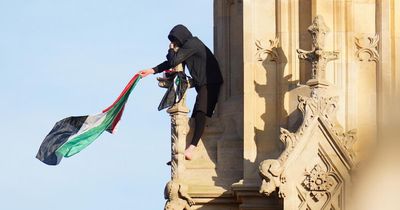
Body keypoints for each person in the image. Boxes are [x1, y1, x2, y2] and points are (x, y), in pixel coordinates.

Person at [138, 24, 223, 160]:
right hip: (203, 84)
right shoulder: (188, 47)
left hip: (210, 82)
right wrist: (151, 70)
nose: (174, 43)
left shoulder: (193, 43)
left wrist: (171, 50)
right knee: (196, 117)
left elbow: (173, 61)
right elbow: (170, 62)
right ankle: (185, 150)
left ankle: (191, 148)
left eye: (175, 40)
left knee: (201, 114)